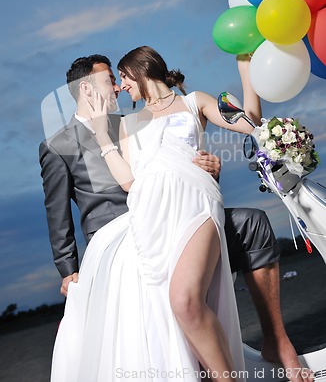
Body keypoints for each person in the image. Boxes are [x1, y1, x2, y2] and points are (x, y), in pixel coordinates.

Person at [39, 53, 312, 382]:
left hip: (188, 202)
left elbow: (241, 125)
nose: (118, 87)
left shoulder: (159, 111)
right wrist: (68, 270)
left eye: (120, 78)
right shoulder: (92, 134)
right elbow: (63, 208)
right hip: (131, 221)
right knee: (170, 291)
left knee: (251, 222)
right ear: (85, 88)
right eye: (110, 80)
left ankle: (276, 342)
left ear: (139, 72)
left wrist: (246, 68)